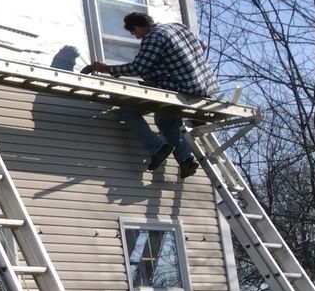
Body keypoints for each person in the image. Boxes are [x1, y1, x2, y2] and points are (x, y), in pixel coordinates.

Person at [81, 11, 218, 177]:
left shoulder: (153, 37)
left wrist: (106, 69)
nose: (136, 37)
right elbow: (201, 46)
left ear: (137, 27)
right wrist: (164, 72)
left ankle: (157, 147)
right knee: (166, 121)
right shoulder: (178, 27)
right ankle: (186, 160)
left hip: (182, 88)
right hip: (205, 87)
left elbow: (138, 67)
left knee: (128, 110)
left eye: (134, 33)